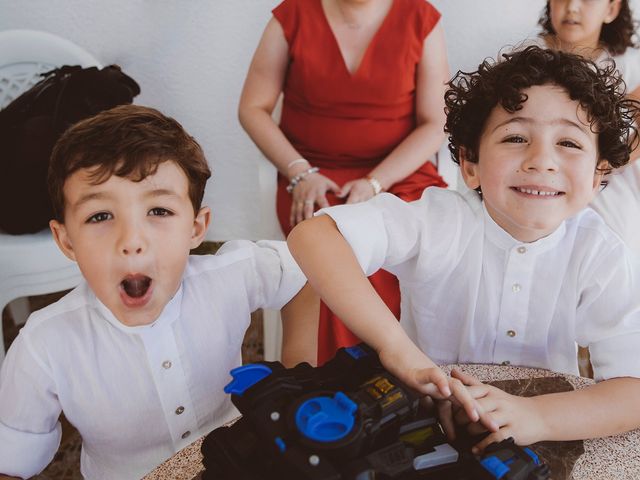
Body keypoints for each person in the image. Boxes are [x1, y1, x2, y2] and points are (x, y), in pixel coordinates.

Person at [287, 46, 640, 452]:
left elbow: (634, 388)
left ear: (598, 177)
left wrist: (539, 416)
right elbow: (313, 235)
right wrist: (398, 350)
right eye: (515, 137)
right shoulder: (438, 220)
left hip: (542, 432)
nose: (542, 160)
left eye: (570, 144)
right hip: (422, 422)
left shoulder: (600, 252)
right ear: (470, 165)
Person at [0, 105, 312, 479]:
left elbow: (303, 270)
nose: (131, 241)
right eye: (100, 216)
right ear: (66, 240)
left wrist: (298, 375)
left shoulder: (230, 275)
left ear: (196, 228)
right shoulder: (43, 345)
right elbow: (11, 465)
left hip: (240, 459)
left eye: (159, 211)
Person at [238, 0, 450, 365]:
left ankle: (416, 368)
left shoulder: (420, 18)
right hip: (313, 179)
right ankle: (328, 376)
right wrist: (299, 172)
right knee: (331, 252)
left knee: (413, 243)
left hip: (397, 175)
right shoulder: (292, 16)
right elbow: (252, 107)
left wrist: (375, 182)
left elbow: (435, 122)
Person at [536, 0, 640, 252]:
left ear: (611, 9)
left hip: (607, 182)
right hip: (545, 176)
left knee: (611, 244)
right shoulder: (529, 58)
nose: (572, 7)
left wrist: (603, 167)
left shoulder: (629, 66)